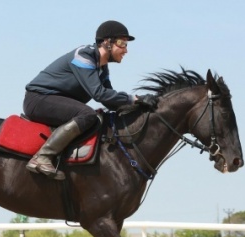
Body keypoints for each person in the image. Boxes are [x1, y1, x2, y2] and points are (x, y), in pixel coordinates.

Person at [23, 20, 158, 180]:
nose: (126, 50)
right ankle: (42, 157)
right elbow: (99, 94)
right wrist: (133, 98)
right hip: (38, 99)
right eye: (122, 43)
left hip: (51, 101)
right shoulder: (84, 55)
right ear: (107, 42)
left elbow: (109, 101)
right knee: (88, 115)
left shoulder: (102, 67)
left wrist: (138, 106)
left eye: (126, 45)